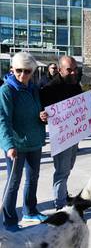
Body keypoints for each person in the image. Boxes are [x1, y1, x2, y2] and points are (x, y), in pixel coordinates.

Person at [0, 52, 48, 231]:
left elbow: (38, 111)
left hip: (34, 141)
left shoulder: (33, 89)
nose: (22, 75)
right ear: (12, 69)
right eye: (18, 70)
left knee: (33, 178)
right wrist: (8, 145)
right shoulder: (6, 90)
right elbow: (2, 120)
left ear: (32, 71)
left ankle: (30, 210)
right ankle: (10, 219)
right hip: (16, 145)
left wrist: (43, 116)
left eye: (27, 71)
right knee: (13, 182)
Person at [40, 56, 83, 210]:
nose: (73, 73)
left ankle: (63, 195)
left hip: (74, 135)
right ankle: (60, 204)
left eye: (75, 69)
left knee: (69, 167)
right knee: (62, 170)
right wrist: (43, 116)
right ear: (59, 70)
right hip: (61, 137)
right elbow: (43, 113)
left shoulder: (76, 86)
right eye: (69, 70)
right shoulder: (49, 89)